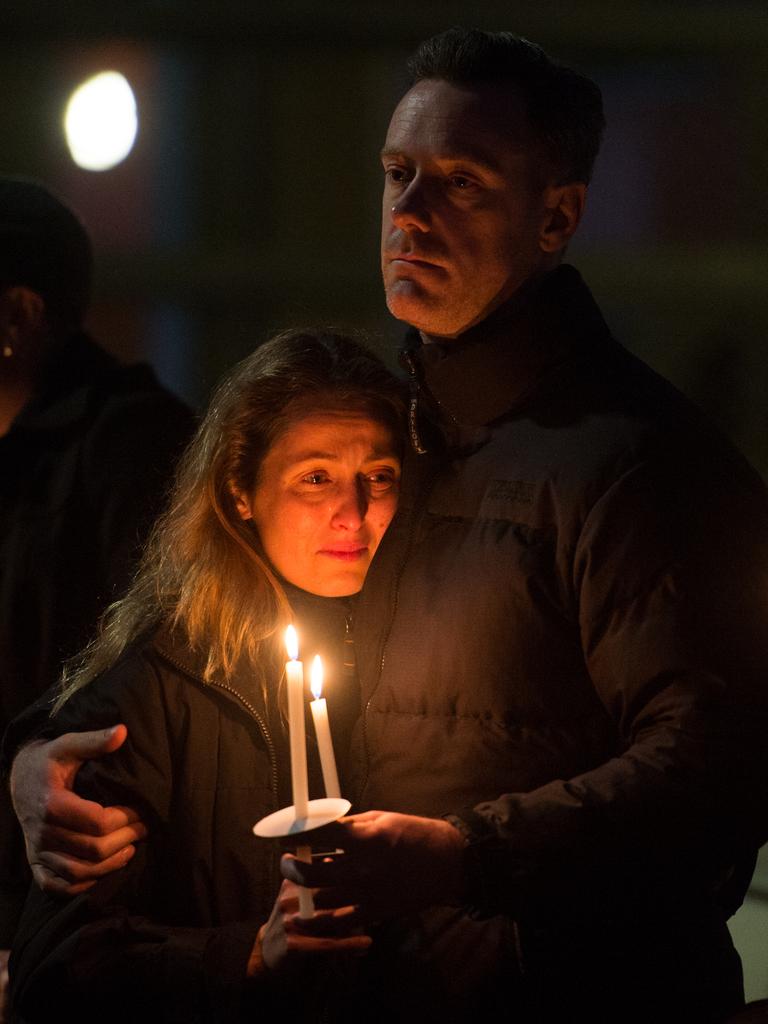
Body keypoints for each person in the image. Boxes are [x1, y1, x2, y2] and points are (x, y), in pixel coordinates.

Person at [8, 28, 768, 1022]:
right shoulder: (400, 427)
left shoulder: (638, 463)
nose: (410, 213)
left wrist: (466, 855)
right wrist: (35, 761)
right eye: (398, 174)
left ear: (558, 216)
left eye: (460, 182)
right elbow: (184, 637)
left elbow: (720, 764)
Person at [7, 329, 405, 1021]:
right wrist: (247, 955)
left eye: (379, 477)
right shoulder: (163, 681)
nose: (354, 513)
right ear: (239, 491)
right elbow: (57, 965)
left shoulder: (433, 652)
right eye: (315, 477)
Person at [0, 178, 194, 984]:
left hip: (68, 924)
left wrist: (28, 758)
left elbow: (140, 672)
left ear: (16, 318)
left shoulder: (133, 447)